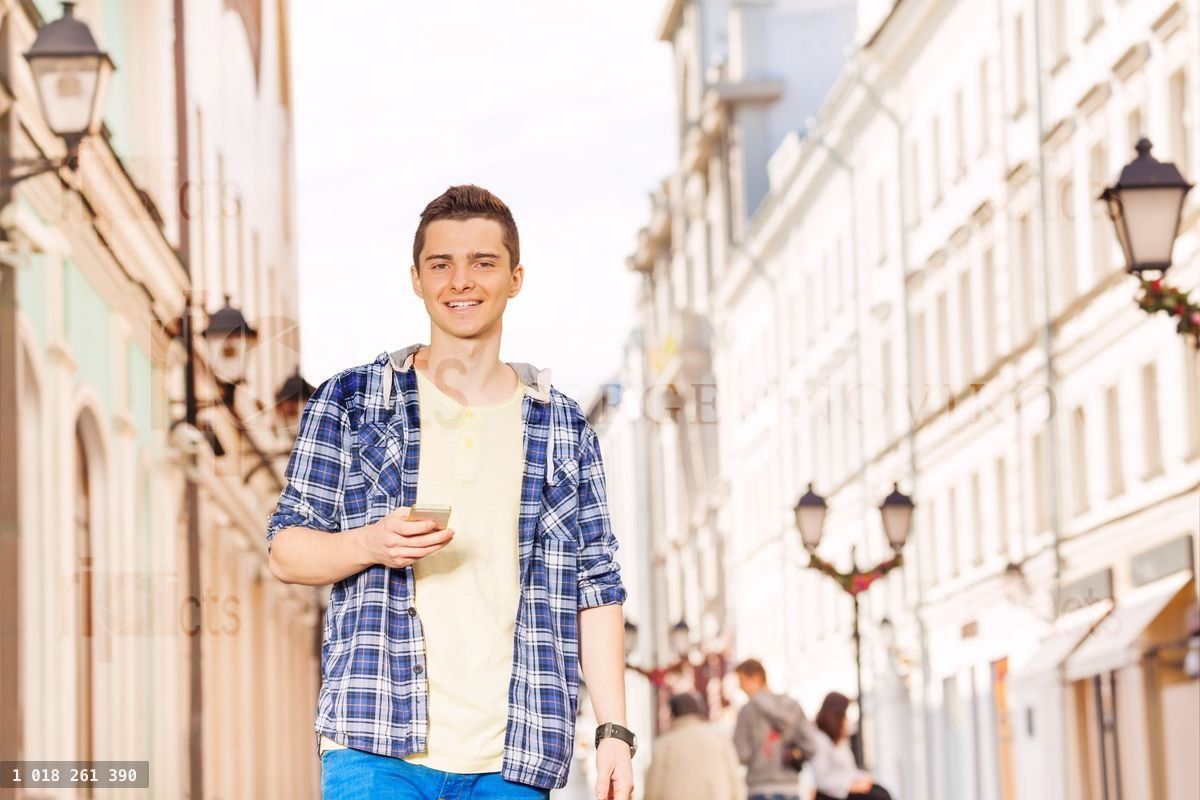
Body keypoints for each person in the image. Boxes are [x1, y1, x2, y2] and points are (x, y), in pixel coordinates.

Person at [266, 185, 636, 800]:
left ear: (515, 278)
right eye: (441, 264)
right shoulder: (352, 403)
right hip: (373, 743)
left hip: (514, 757)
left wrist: (614, 732)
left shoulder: (564, 429)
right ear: (416, 278)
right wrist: (370, 543)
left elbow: (596, 588)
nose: (460, 281)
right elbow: (286, 550)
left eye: (482, 263)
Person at [732, 659, 815, 800]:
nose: (739, 686)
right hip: (791, 789)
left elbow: (742, 754)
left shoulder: (748, 711)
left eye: (741, 679)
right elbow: (811, 746)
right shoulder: (792, 706)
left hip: (760, 789)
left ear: (756, 677)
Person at [644, 693, 746, 800]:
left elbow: (653, 791)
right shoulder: (719, 738)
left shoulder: (664, 744)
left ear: (672, 714)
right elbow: (736, 782)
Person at [810, 692, 892, 800]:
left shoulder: (839, 739)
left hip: (848, 786)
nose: (846, 718)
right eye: (844, 715)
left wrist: (864, 778)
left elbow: (849, 771)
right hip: (832, 794)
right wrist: (851, 786)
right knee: (878, 797)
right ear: (836, 716)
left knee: (882, 792)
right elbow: (822, 781)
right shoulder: (819, 740)